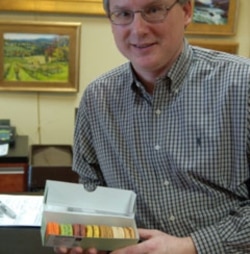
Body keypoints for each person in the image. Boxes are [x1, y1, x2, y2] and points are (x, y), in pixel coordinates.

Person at [55, 0, 250, 253]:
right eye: (123, 13)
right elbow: (91, 191)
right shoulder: (97, 99)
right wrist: (78, 235)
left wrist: (192, 246)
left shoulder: (242, 85)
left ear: (187, 11)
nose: (138, 29)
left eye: (154, 10)